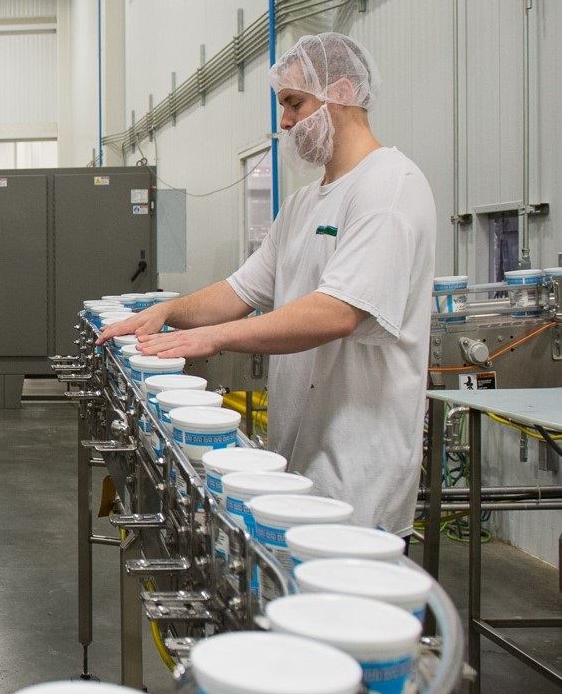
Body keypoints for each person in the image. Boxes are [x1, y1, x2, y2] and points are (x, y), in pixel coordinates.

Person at [99, 33, 435, 535]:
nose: (285, 122)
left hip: (360, 474)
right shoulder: (303, 204)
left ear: (341, 92)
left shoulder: (388, 188)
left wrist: (212, 338)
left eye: (295, 103)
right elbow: (240, 291)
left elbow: (338, 312)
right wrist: (167, 312)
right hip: (296, 464)